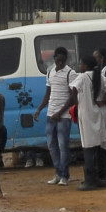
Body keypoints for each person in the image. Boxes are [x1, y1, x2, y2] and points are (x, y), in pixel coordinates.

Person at [74, 55, 106, 191]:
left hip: (86, 116)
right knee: (97, 148)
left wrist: (77, 100)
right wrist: (105, 100)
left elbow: (72, 88)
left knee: (88, 149)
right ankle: (99, 178)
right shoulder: (99, 77)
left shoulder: (82, 77)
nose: (80, 66)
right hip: (99, 115)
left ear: (86, 65)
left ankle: (89, 181)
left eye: (81, 63)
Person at [34, 46, 78, 186]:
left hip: (64, 116)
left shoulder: (70, 73)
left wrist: (60, 113)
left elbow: (72, 97)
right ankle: (58, 173)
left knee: (63, 145)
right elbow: (48, 94)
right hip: (50, 114)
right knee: (52, 146)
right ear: (54, 59)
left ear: (66, 60)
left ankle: (65, 175)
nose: (60, 63)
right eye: (58, 60)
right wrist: (40, 109)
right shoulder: (50, 72)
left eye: (63, 60)